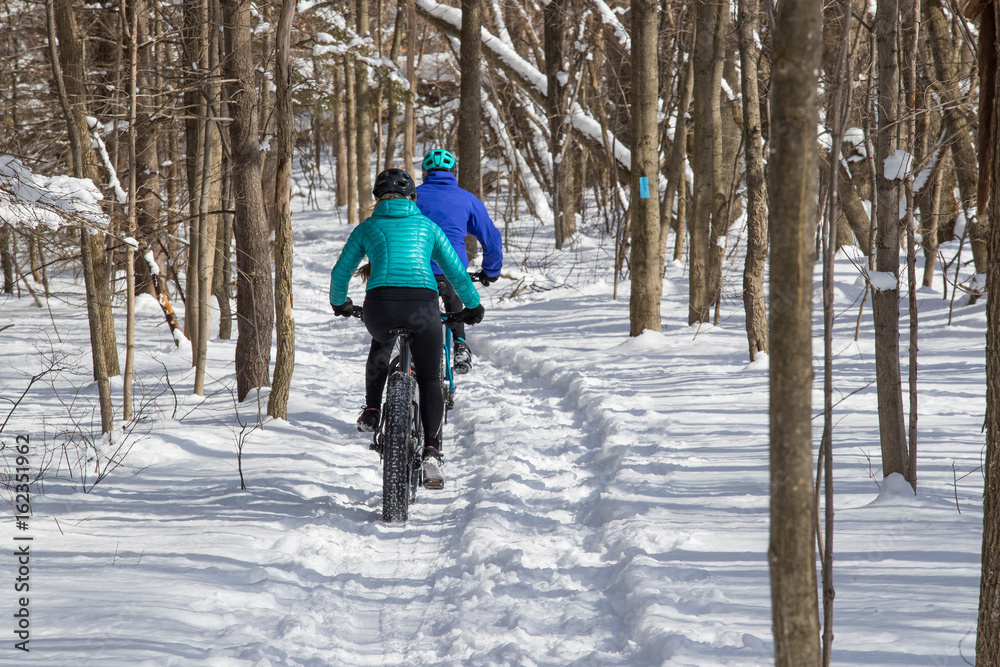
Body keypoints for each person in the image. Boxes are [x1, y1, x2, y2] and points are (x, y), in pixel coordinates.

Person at [329, 168, 484, 488]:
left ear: (377, 199)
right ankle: (431, 453)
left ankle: (372, 410)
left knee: (380, 343)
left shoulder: (367, 227)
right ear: (413, 198)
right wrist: (472, 305)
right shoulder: (428, 227)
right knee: (429, 377)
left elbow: (341, 270)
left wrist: (340, 303)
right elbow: (456, 271)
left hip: (380, 307)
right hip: (422, 308)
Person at [415, 148, 503, 374]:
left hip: (415, 270)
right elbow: (491, 237)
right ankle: (460, 343)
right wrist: (490, 271)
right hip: (451, 270)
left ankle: (413, 352)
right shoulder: (467, 199)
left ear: (425, 173)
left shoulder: (412, 197)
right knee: (453, 289)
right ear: (453, 172)